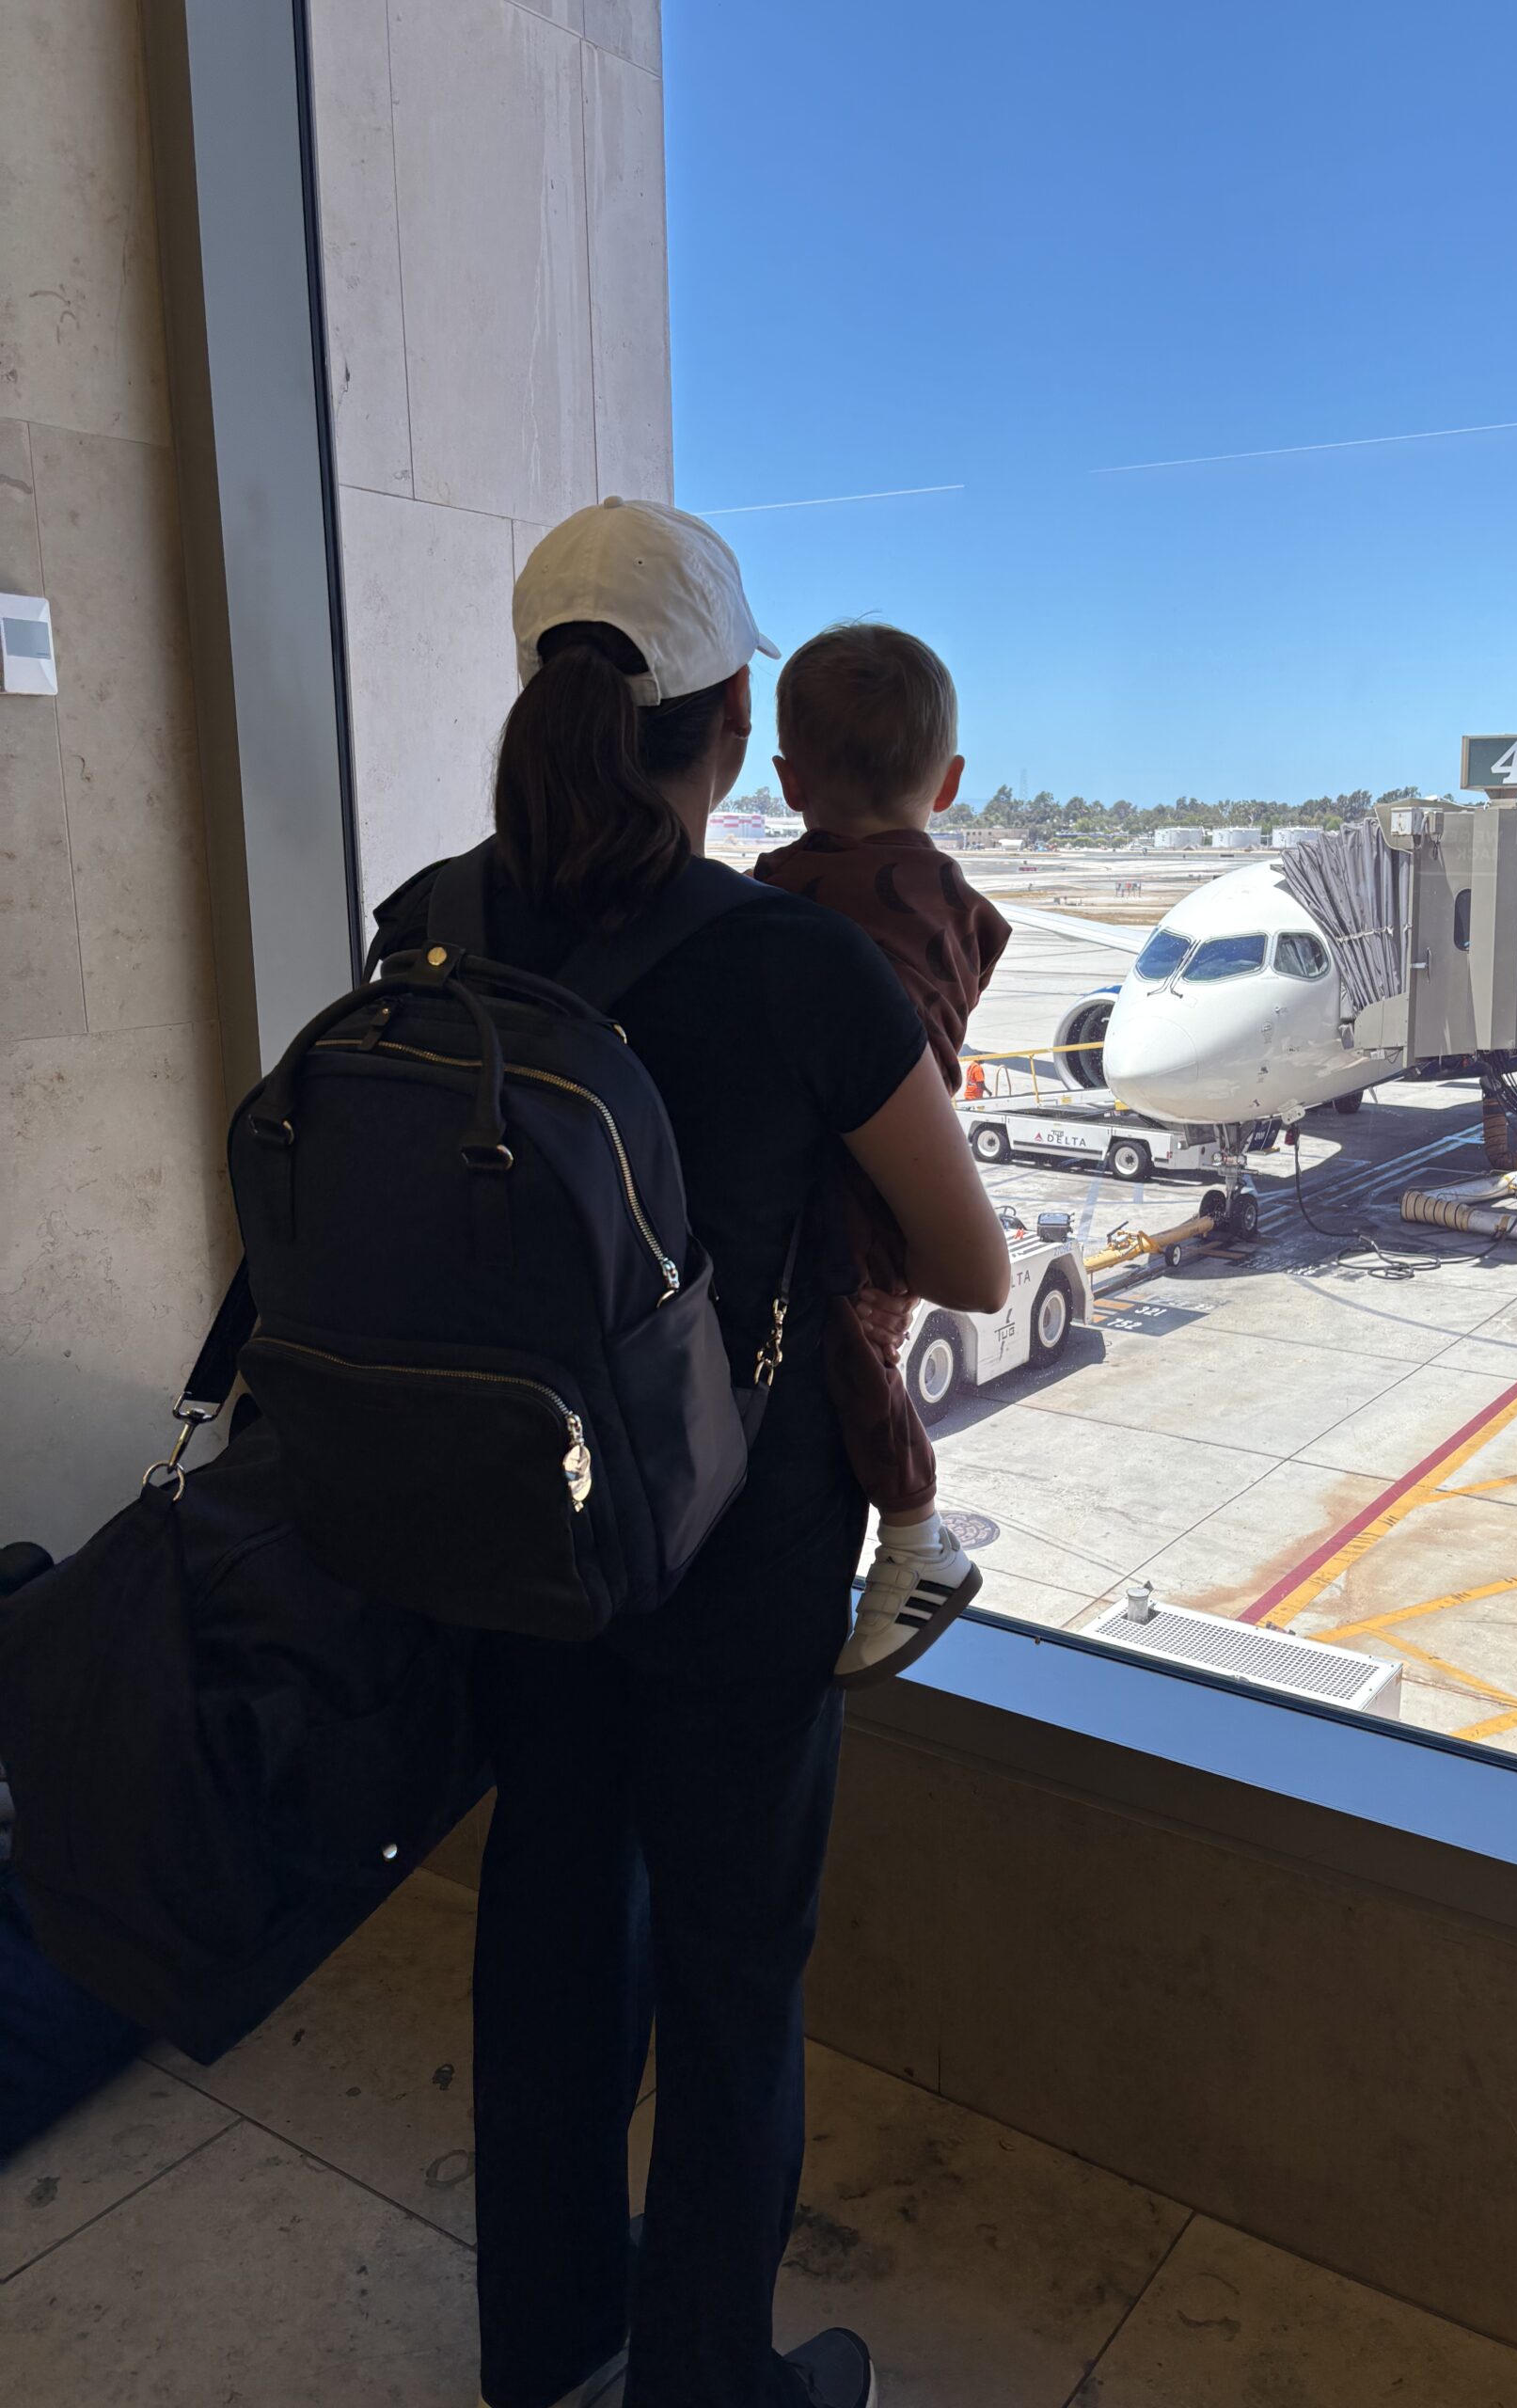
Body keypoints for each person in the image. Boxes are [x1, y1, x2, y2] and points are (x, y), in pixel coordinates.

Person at [370, 498, 1010, 2408]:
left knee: (553, 1917)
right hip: (734, 1551)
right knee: (733, 1977)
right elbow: (973, 1257)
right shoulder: (798, 970)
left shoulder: (427, 920)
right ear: (731, 734)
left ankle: (547, 2327)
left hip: (518, 1532)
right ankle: (712, 2376)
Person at [754, 625, 1011, 1686]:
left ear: (786, 779)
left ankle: (917, 1536)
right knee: (862, 1337)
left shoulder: (769, 902)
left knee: (845, 1343)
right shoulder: (948, 903)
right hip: (882, 1160)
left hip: (838, 1179)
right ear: (948, 783)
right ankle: (909, 1534)